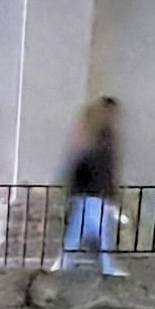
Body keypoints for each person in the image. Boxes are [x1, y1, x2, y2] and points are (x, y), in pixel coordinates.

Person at [58, 97, 124, 275]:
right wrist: (109, 192)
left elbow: (79, 165)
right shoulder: (103, 137)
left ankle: (68, 261)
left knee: (80, 231)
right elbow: (103, 168)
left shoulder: (89, 134)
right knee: (98, 232)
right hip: (95, 191)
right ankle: (105, 265)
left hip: (86, 191)